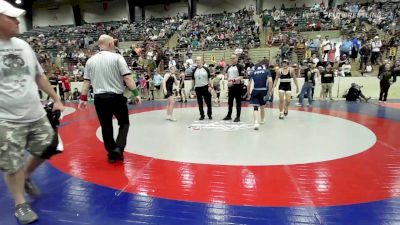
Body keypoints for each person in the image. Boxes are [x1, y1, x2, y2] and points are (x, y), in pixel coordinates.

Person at [0, 1, 64, 223]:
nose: (18, 22)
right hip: (6, 119)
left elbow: (38, 75)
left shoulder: (24, 45)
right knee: (12, 163)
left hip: (35, 113)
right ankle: (20, 203)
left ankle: (26, 175)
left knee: (51, 145)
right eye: (12, 18)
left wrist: (56, 98)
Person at [78, 34, 141, 163]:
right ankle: (119, 148)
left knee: (106, 127)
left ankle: (112, 153)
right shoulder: (117, 57)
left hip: (100, 99)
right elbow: (127, 77)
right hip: (116, 97)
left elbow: (86, 82)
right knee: (124, 123)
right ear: (110, 44)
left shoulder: (90, 61)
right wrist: (136, 93)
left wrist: (83, 98)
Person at [247, 65, 273, 130]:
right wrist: (269, 91)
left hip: (255, 90)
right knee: (262, 106)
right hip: (263, 90)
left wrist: (248, 93)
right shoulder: (267, 71)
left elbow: (248, 84)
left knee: (255, 108)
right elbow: (270, 81)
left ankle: (256, 122)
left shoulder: (252, 72)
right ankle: (262, 120)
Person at [223, 54, 245, 122]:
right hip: (230, 87)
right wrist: (227, 79)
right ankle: (229, 115)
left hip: (237, 86)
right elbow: (226, 75)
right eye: (231, 58)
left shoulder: (240, 66)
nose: (232, 59)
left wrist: (232, 81)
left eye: (234, 58)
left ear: (237, 58)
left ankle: (238, 116)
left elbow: (241, 76)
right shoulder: (229, 67)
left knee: (238, 102)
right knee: (230, 102)